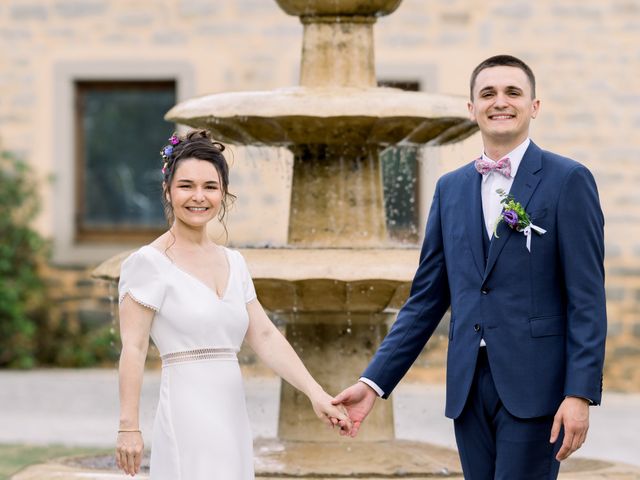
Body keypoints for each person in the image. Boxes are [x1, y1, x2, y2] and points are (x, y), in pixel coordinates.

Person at [333, 55, 607, 479]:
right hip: (467, 389)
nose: (501, 101)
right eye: (488, 93)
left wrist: (579, 394)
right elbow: (425, 301)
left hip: (537, 388)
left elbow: (587, 299)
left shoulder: (568, 179)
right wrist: (374, 383)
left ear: (534, 106)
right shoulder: (449, 189)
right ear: (471, 108)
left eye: (513, 92)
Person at [115, 130, 351, 478]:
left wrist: (316, 393)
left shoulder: (234, 262)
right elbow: (133, 349)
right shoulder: (147, 263)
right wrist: (128, 427)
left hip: (230, 410)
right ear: (168, 190)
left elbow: (266, 336)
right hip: (186, 411)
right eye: (186, 186)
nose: (199, 196)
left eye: (210, 186)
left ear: (223, 193)